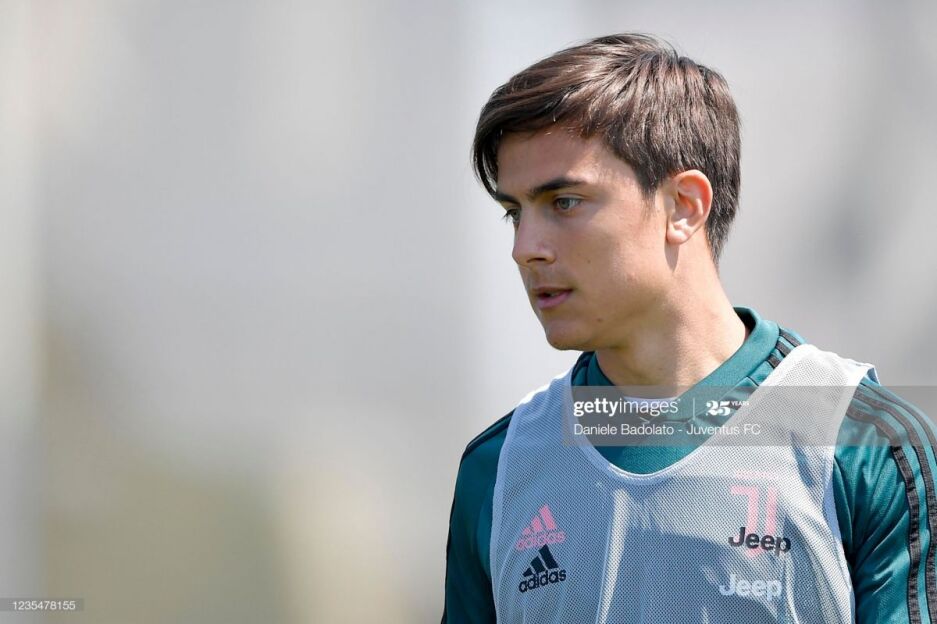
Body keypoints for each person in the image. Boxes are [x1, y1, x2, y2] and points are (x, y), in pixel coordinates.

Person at [441, 33, 937, 623]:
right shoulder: (498, 470)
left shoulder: (867, 448)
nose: (526, 248)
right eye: (514, 213)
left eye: (565, 202)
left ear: (684, 206)